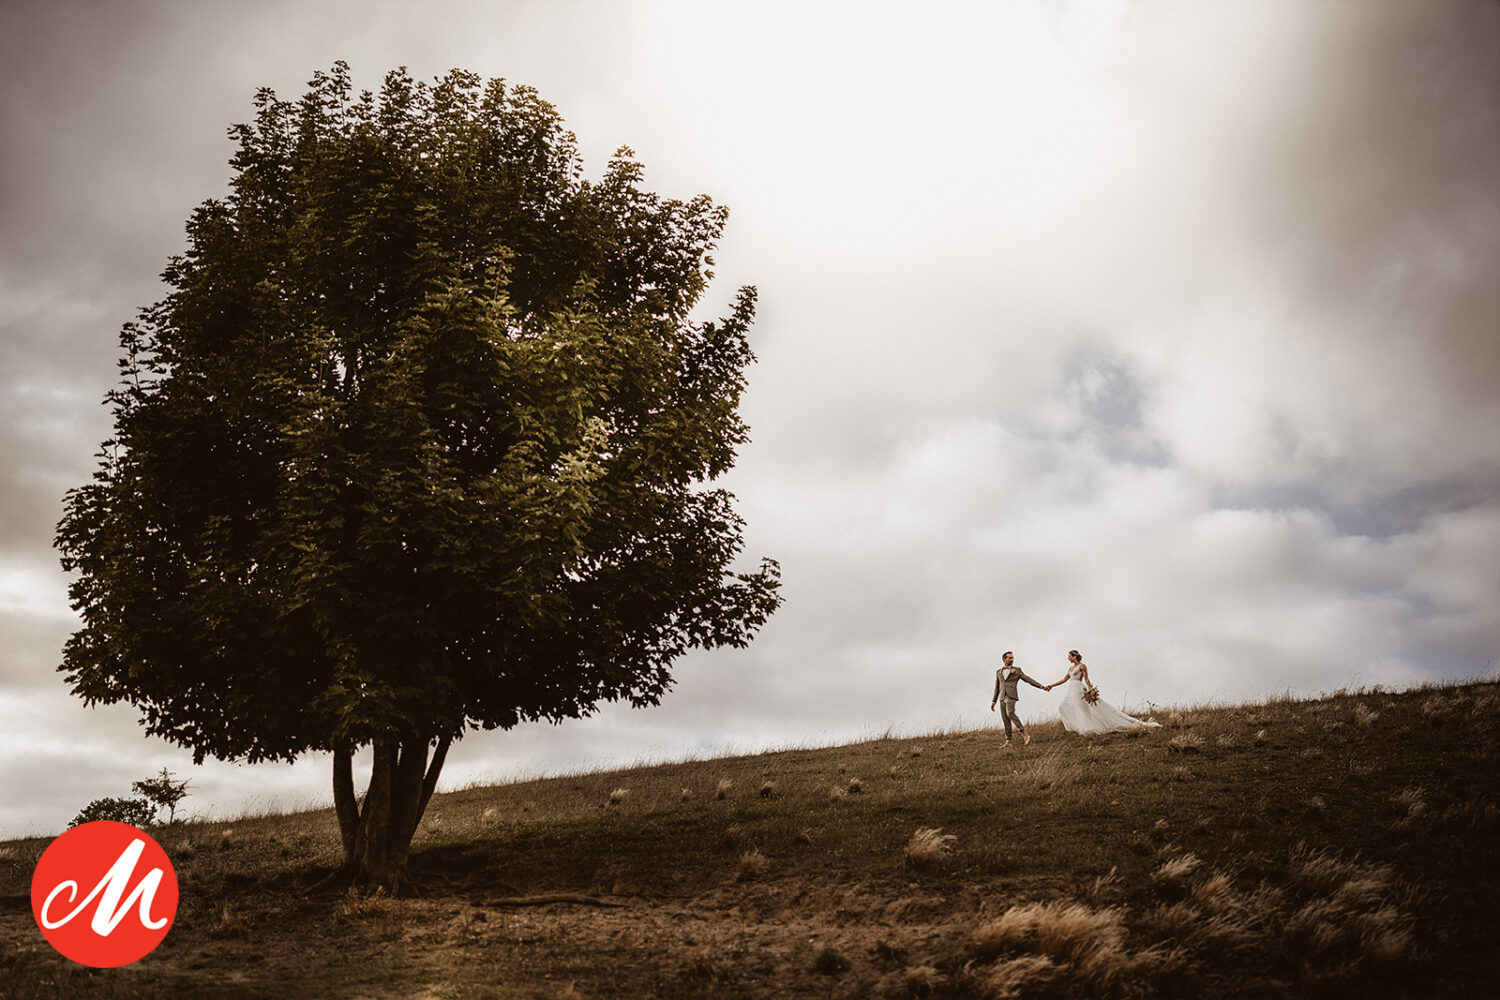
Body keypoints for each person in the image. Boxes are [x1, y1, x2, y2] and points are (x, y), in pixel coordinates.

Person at [1045, 649, 1160, 734]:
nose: (1068, 658)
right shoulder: (1070, 668)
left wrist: (1090, 690)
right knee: (1063, 706)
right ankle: (1081, 726)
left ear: (1074, 656)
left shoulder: (1082, 666)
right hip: (1071, 689)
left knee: (1082, 708)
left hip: (1079, 688)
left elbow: (1086, 679)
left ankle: (1087, 728)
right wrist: (1051, 686)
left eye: (1069, 656)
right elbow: (1064, 679)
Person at [990, 651, 1048, 747]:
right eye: (1010, 658)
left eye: (1012, 658)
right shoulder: (998, 672)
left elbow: (1028, 679)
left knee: (1010, 713)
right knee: (1005, 719)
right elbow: (997, 688)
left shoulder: (1017, 670)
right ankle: (1008, 741)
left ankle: (1025, 734)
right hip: (1002, 697)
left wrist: (1041, 686)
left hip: (1011, 696)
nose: (1012, 659)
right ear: (1004, 659)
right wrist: (993, 701)